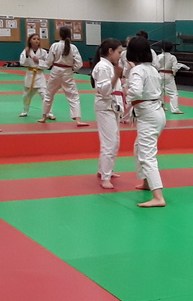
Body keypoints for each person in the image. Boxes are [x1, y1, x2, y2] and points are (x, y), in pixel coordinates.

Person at [126, 36, 167, 208]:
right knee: (139, 148)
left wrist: (125, 95)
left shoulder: (137, 70)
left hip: (148, 114)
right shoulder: (152, 69)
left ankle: (158, 196)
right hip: (156, 112)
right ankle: (146, 181)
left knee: (147, 155)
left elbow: (135, 91)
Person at [92, 38, 125, 190]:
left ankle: (104, 170)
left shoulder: (109, 66)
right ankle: (105, 177)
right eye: (119, 52)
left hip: (113, 105)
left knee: (114, 141)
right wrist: (116, 76)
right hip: (105, 106)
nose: (120, 55)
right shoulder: (102, 67)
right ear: (110, 51)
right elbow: (104, 91)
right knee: (109, 142)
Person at [41, 25, 87, 127]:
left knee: (48, 94)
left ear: (60, 35)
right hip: (67, 72)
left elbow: (49, 62)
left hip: (56, 71)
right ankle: (78, 120)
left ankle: (44, 117)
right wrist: (73, 69)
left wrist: (42, 65)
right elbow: (79, 64)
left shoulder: (55, 46)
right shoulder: (73, 47)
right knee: (73, 96)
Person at [19, 33, 49, 118]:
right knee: (26, 95)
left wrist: (38, 61)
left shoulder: (43, 52)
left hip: (40, 75)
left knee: (45, 95)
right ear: (30, 41)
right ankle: (25, 110)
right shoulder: (26, 51)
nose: (36, 41)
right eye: (34, 39)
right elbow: (22, 63)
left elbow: (48, 64)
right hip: (30, 75)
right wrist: (27, 55)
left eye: (38, 39)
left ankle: (48, 112)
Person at [156, 41, 188, 114]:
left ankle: (161, 106)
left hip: (159, 74)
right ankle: (175, 109)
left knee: (159, 91)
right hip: (169, 75)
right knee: (173, 93)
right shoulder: (172, 57)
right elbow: (175, 67)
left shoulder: (158, 56)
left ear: (162, 49)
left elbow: (156, 65)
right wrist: (174, 73)